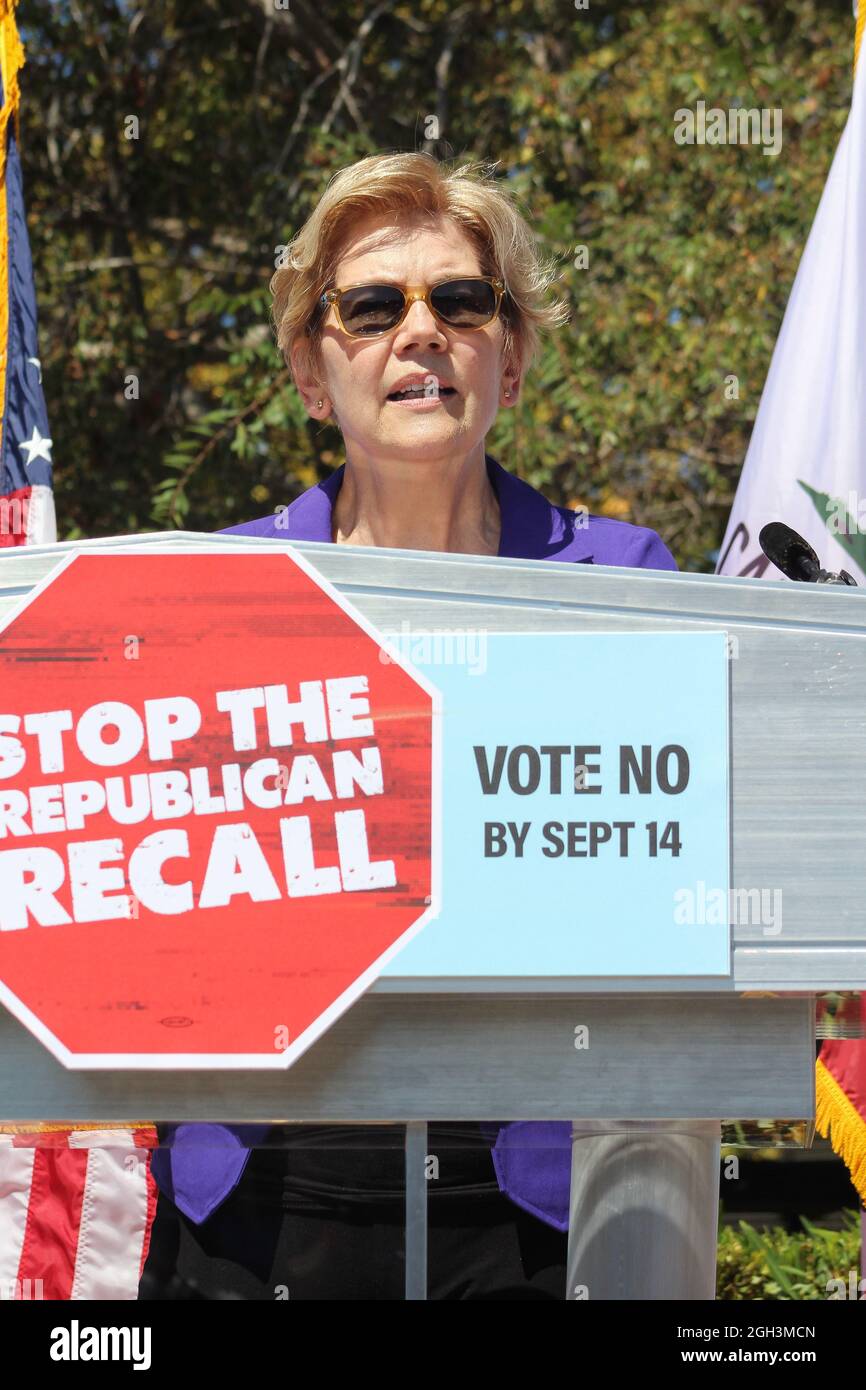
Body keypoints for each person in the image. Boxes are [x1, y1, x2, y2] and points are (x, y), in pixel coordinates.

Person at [142, 150, 677, 1301]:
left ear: (513, 355)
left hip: (528, 1188)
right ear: (307, 368)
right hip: (262, 1183)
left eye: (462, 301)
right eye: (373, 307)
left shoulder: (626, 579)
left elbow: (661, 902)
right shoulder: (200, 595)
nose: (420, 332)